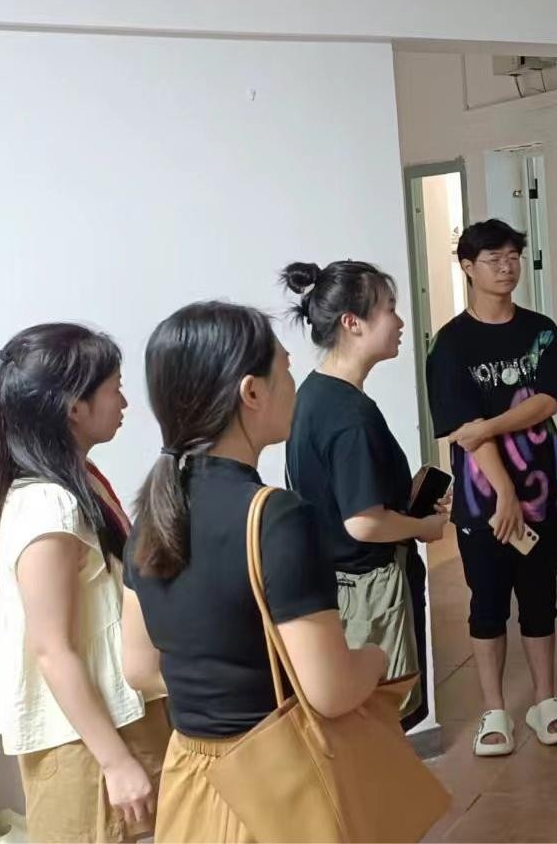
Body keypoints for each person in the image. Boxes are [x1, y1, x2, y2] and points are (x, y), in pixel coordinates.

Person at [122, 301, 388, 843]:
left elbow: (140, 668)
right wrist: (376, 659)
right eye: (285, 369)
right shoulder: (276, 518)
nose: (293, 384)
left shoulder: (152, 513)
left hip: (190, 779)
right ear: (251, 392)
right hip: (273, 783)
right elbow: (330, 691)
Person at [0, 323, 170, 843]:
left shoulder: (75, 482)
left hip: (114, 721)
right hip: (90, 742)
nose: (124, 401)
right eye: (114, 388)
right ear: (73, 408)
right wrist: (116, 763)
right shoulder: (48, 507)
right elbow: (51, 650)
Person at [426, 219, 557, 756]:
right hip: (482, 497)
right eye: (494, 259)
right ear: (468, 267)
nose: (507, 267)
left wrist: (491, 424)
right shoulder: (450, 344)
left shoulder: (541, 331)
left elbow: (548, 401)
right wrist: (504, 494)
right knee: (486, 601)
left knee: (540, 598)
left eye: (513, 256)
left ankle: (545, 701)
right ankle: (494, 710)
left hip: (542, 486)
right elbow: (461, 430)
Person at [281, 260, 446, 729]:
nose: (400, 322)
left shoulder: (313, 395)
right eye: (389, 309)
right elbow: (364, 523)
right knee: (379, 723)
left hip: (336, 584)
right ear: (352, 323)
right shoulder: (349, 416)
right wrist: (424, 527)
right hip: (368, 593)